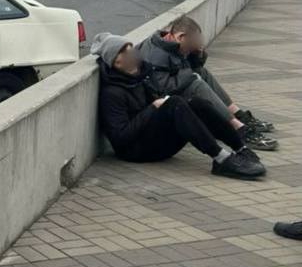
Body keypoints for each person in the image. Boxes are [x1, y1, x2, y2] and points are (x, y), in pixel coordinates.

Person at [92, 33, 265, 180]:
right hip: (136, 151)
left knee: (195, 103)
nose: (132, 63)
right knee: (175, 104)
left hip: (152, 140)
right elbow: (120, 138)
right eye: (123, 60)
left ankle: (240, 149)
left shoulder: (140, 76)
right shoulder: (112, 93)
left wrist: (159, 103)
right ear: (114, 65)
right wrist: (154, 107)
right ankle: (221, 159)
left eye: (131, 55)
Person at [136, 16, 277, 151]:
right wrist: (190, 74)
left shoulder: (174, 44)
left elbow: (192, 68)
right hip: (157, 103)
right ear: (181, 37)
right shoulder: (156, 55)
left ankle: (239, 115)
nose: (193, 45)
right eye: (192, 42)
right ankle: (238, 129)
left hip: (169, 93)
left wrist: (197, 54)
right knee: (196, 83)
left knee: (202, 73)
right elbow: (162, 88)